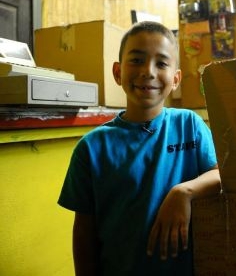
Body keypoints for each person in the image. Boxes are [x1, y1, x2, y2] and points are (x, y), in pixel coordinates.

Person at [58, 21, 221, 275]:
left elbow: (222, 174)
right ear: (117, 72)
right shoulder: (91, 148)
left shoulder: (190, 125)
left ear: (176, 79)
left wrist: (183, 192)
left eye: (162, 63)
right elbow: (84, 236)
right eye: (136, 60)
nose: (148, 71)